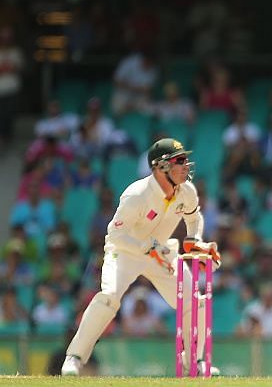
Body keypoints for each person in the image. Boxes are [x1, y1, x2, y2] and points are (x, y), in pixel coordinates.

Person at [61, 138, 222, 376]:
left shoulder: (186, 192)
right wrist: (146, 247)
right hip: (125, 251)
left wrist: (195, 242)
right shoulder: (136, 195)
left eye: (185, 160)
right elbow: (115, 234)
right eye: (180, 161)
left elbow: (193, 218)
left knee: (194, 301)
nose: (186, 165)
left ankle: (195, 361)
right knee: (109, 297)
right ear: (161, 167)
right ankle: (74, 357)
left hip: (162, 252)